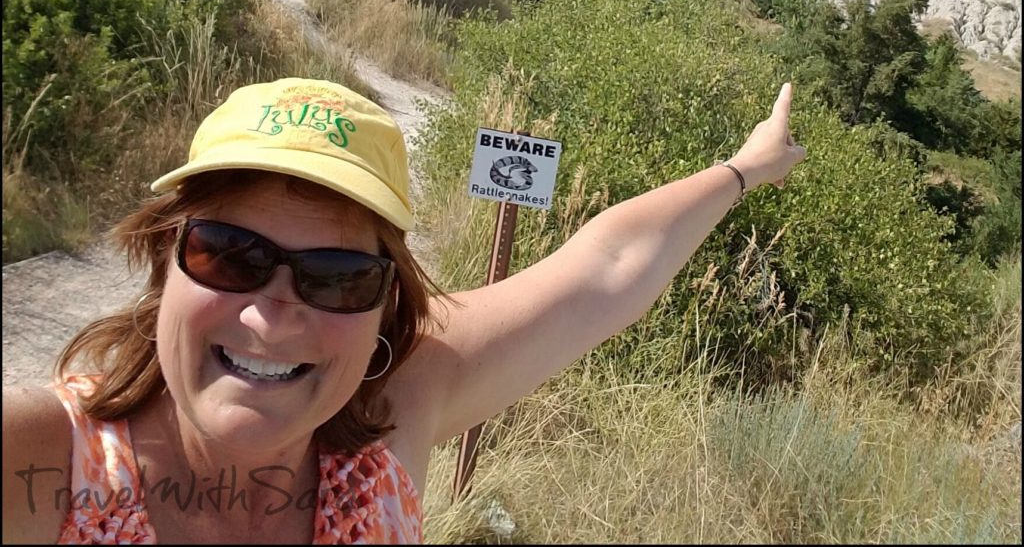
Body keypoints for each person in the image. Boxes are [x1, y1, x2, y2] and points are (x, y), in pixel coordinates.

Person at [2, 75, 806, 544]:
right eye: (230, 255)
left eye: (337, 277)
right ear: (163, 262)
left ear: (385, 310)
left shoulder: (388, 419)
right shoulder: (44, 462)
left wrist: (745, 169)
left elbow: (606, 270)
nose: (268, 318)